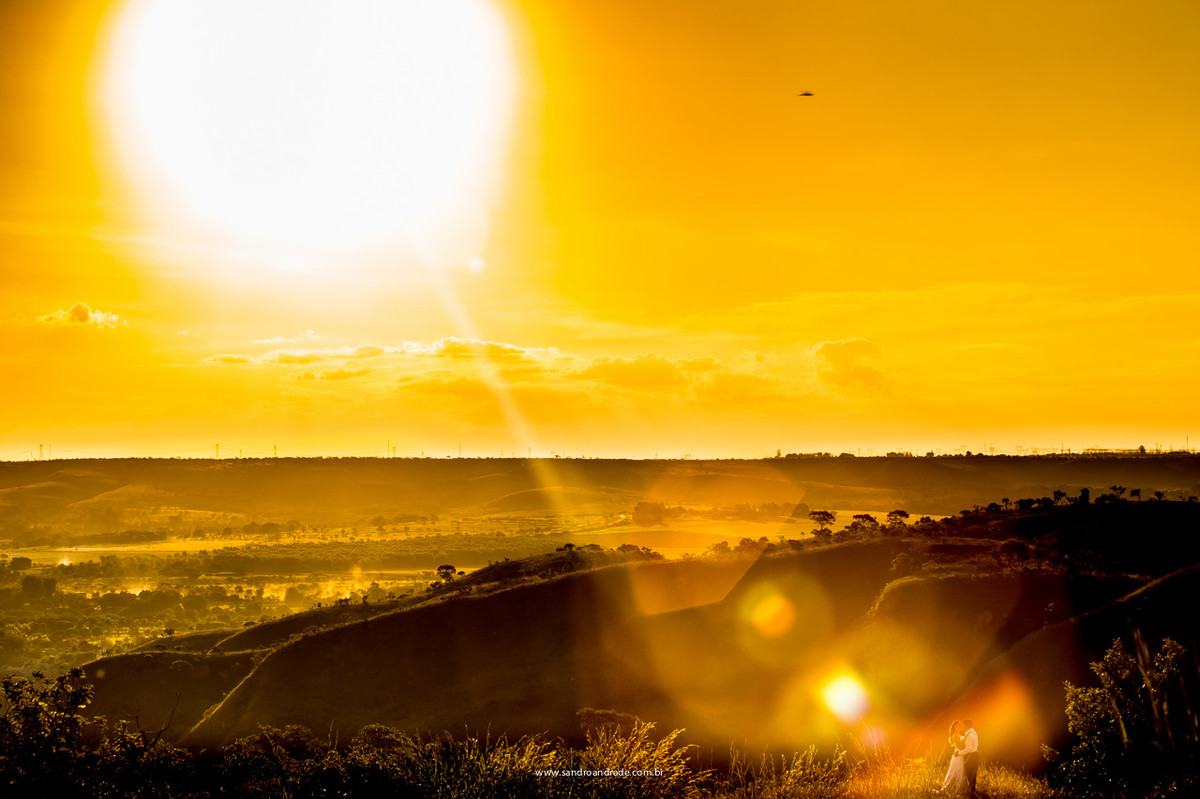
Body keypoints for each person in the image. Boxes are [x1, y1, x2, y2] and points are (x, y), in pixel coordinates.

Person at [938, 720, 968, 795]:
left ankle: (959, 788)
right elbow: (960, 746)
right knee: (956, 772)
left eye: (960, 725)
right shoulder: (955, 735)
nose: (960, 726)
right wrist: (966, 738)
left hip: (960, 755)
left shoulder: (958, 734)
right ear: (955, 726)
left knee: (960, 772)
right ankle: (955, 789)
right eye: (959, 725)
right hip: (958, 756)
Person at [961, 717, 980, 794]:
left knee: (970, 772)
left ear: (966, 725)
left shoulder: (969, 734)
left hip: (971, 755)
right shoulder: (974, 732)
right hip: (975, 754)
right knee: (973, 773)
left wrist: (959, 753)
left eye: (963, 725)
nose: (962, 727)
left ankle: (971, 790)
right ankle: (972, 789)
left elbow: (968, 748)